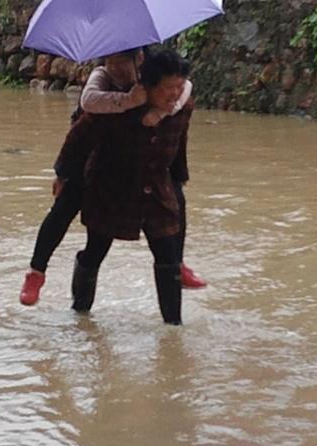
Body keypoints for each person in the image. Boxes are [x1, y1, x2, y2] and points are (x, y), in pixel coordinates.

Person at [19, 48, 206, 305]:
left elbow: (182, 99)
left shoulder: (160, 83)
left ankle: (178, 267)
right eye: (113, 62)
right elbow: (86, 111)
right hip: (92, 158)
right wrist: (130, 101)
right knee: (68, 209)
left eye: (124, 61)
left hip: (143, 164)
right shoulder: (102, 81)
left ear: (140, 59)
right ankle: (37, 272)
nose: (119, 68)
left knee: (175, 205)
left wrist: (161, 113)